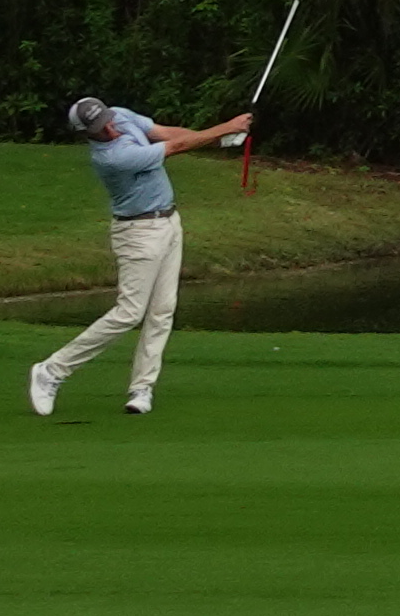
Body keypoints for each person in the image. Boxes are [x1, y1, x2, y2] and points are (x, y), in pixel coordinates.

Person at [27, 92, 252, 419]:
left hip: (169, 222)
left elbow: (165, 133)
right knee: (129, 312)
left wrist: (220, 139)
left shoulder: (118, 115)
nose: (110, 128)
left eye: (107, 120)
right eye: (100, 128)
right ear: (87, 134)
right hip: (138, 234)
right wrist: (224, 128)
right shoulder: (111, 158)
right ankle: (53, 369)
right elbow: (172, 149)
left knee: (162, 310)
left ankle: (141, 388)